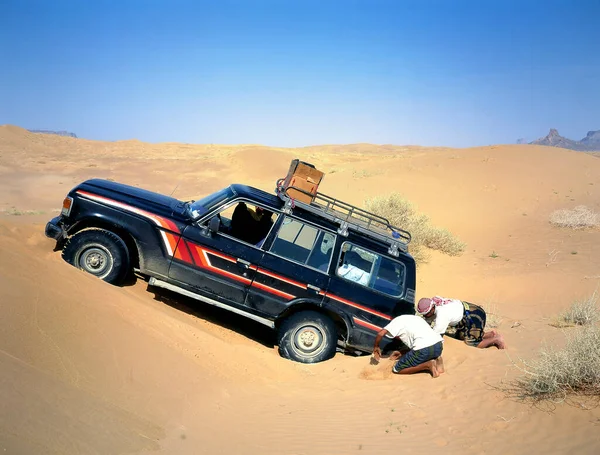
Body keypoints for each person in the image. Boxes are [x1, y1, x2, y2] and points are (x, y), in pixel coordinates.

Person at [416, 296, 506, 349]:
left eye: (426, 314)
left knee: (472, 343)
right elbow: (427, 322)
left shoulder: (442, 314)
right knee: (460, 335)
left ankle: (496, 339)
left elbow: (435, 337)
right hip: (466, 312)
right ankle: (490, 334)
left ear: (432, 309)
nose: (425, 316)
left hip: (473, 315)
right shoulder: (435, 304)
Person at [372, 314, 445, 378]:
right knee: (423, 351)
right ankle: (436, 359)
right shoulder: (416, 318)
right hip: (438, 346)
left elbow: (381, 333)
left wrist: (376, 347)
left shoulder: (396, 322)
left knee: (397, 369)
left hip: (424, 349)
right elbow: (421, 341)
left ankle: (428, 365)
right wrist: (402, 353)